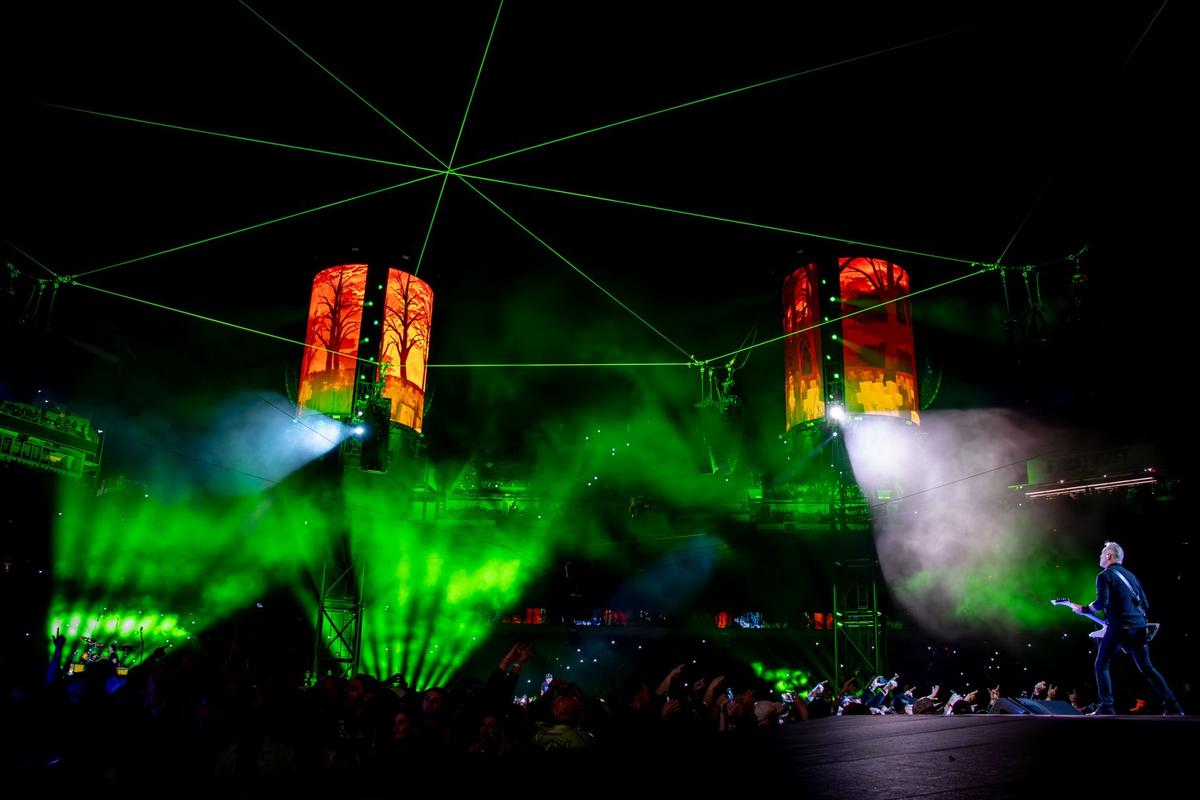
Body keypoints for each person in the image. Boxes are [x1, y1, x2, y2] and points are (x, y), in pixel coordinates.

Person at [1070, 541, 1184, 716]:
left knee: (1102, 664)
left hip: (1121, 627)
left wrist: (1083, 609)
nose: (1100, 556)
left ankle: (1107, 706)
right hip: (1139, 628)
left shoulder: (1104, 576)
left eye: (1102, 553)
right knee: (1147, 667)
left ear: (1108, 555)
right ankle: (1173, 706)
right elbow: (1145, 604)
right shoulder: (1131, 576)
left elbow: (1101, 602)